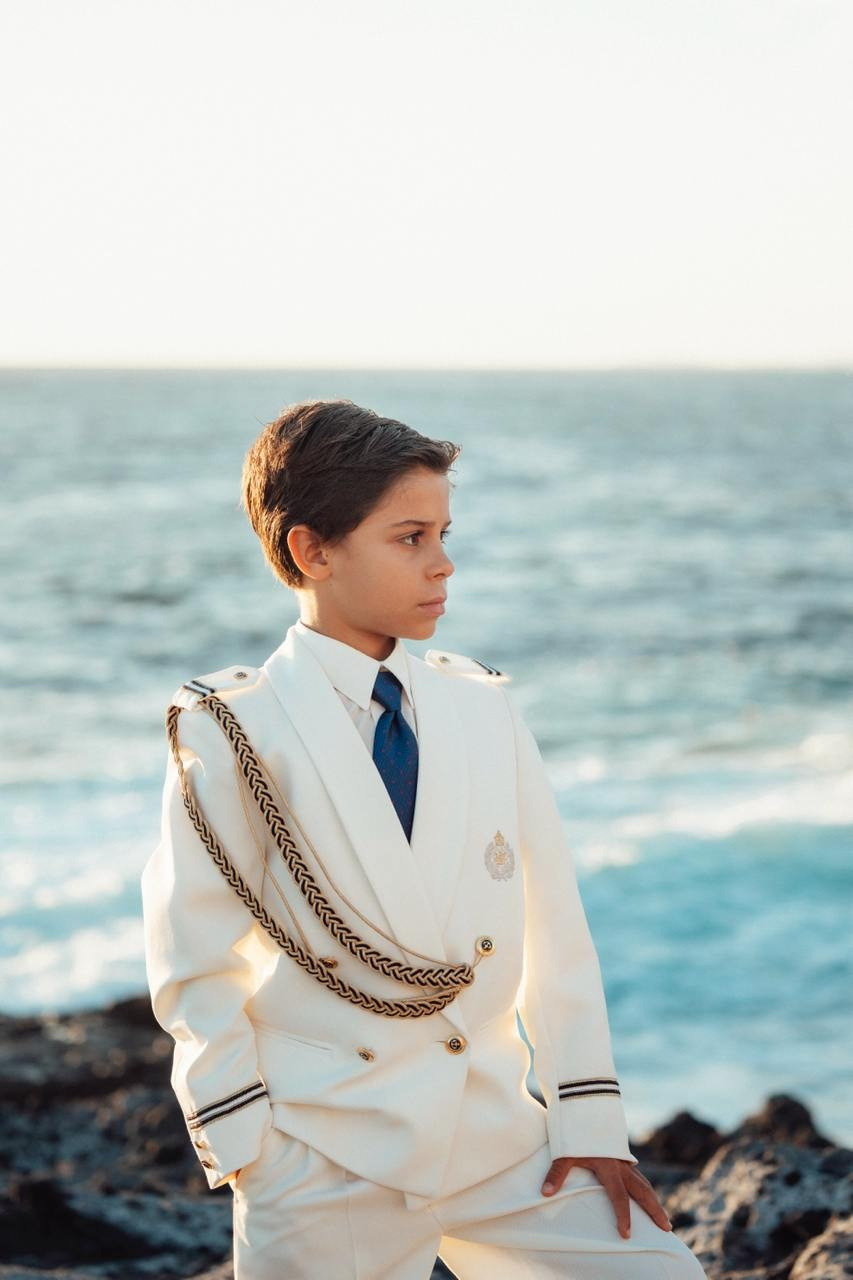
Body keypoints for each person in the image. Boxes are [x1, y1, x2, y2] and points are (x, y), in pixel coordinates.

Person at [141, 399, 708, 1278]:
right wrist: (252, 1148)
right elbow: (193, 958)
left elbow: (555, 924)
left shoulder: (480, 704)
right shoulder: (232, 730)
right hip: (325, 1152)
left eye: (444, 533)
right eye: (409, 538)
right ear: (311, 550)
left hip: (498, 1141)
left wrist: (588, 1121)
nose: (443, 565)